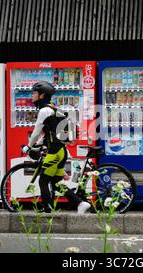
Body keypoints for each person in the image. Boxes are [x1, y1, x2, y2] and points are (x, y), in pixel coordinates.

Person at [22, 81, 91, 214]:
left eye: (34, 93)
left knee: (43, 181)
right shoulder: (54, 108)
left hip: (54, 152)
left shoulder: (44, 110)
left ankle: (48, 209)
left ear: (42, 95)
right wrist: (40, 143)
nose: (32, 95)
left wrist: (29, 147)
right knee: (56, 182)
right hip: (61, 151)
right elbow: (51, 133)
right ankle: (80, 203)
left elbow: (36, 132)